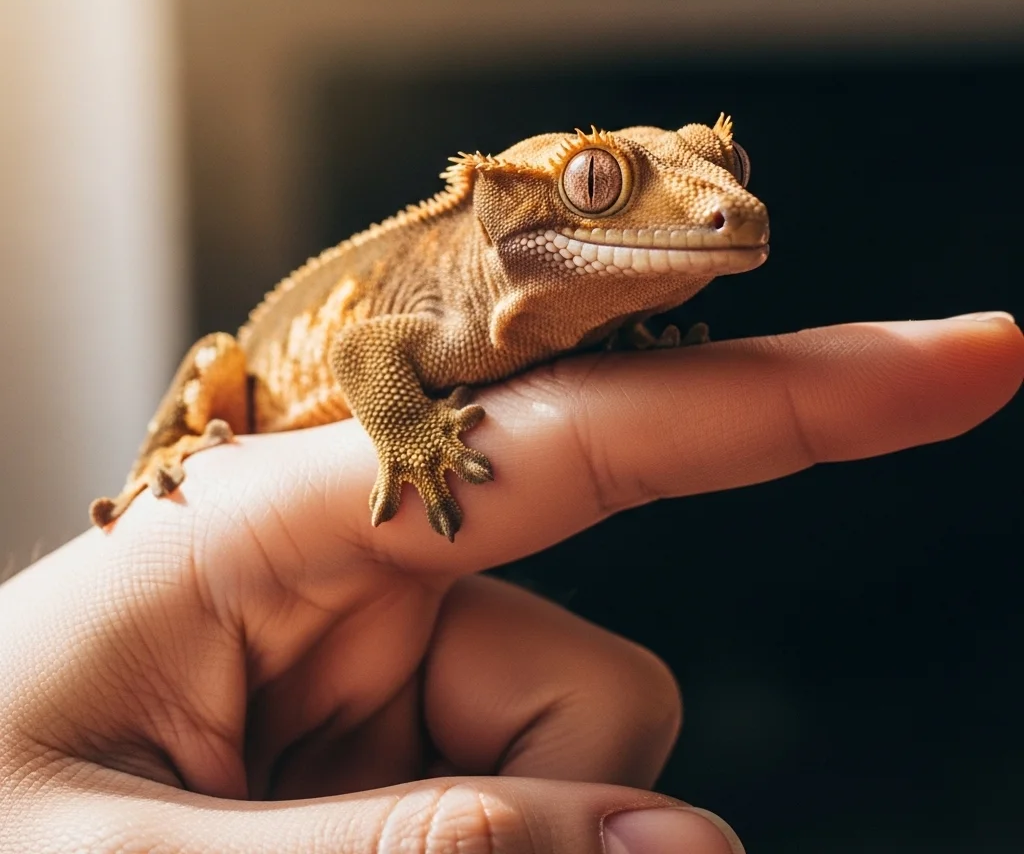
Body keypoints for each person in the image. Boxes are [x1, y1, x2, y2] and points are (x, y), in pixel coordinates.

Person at [0, 314, 1019, 854]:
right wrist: (396, 436)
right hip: (253, 441)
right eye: (596, 183)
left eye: (731, 173)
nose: (719, 210)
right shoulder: (448, 301)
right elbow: (363, 347)